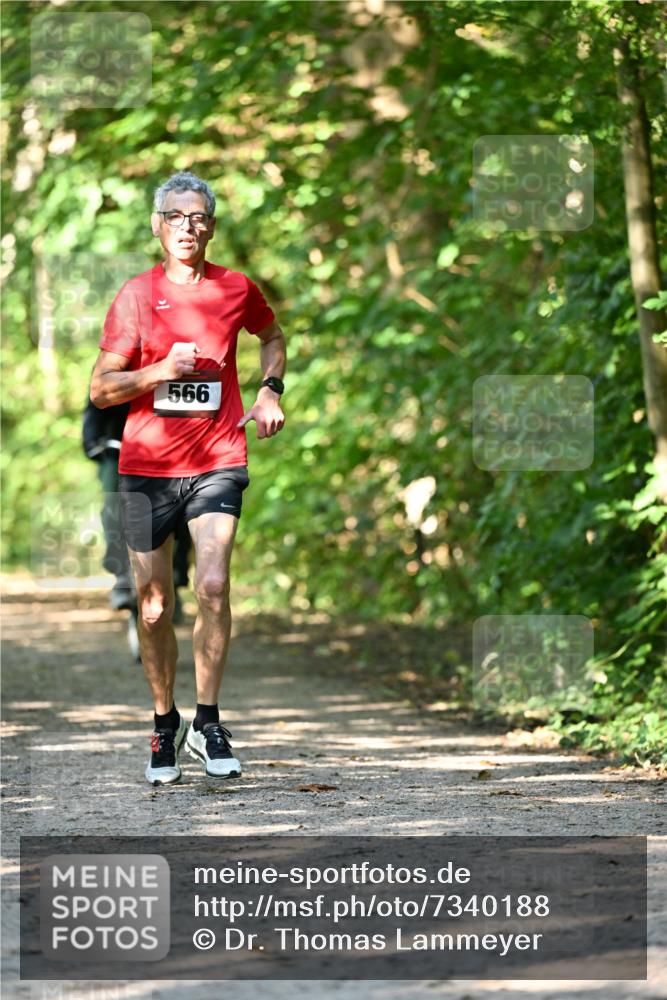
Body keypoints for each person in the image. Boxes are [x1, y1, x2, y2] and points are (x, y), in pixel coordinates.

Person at [89, 171, 286, 785]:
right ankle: (163, 722)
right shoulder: (136, 295)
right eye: (175, 216)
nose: (187, 227)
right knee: (152, 608)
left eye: (197, 217)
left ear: (212, 227)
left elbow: (272, 336)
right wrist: (159, 371)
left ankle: (208, 721)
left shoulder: (236, 288)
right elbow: (100, 389)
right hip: (146, 468)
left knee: (214, 585)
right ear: (158, 226)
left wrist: (270, 390)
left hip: (218, 459)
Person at [82, 397, 191, 624]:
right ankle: (123, 577)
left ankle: (176, 575)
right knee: (113, 508)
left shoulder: (177, 371)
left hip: (168, 449)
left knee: (183, 509)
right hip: (117, 447)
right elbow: (96, 403)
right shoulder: (116, 370)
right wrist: (91, 441)